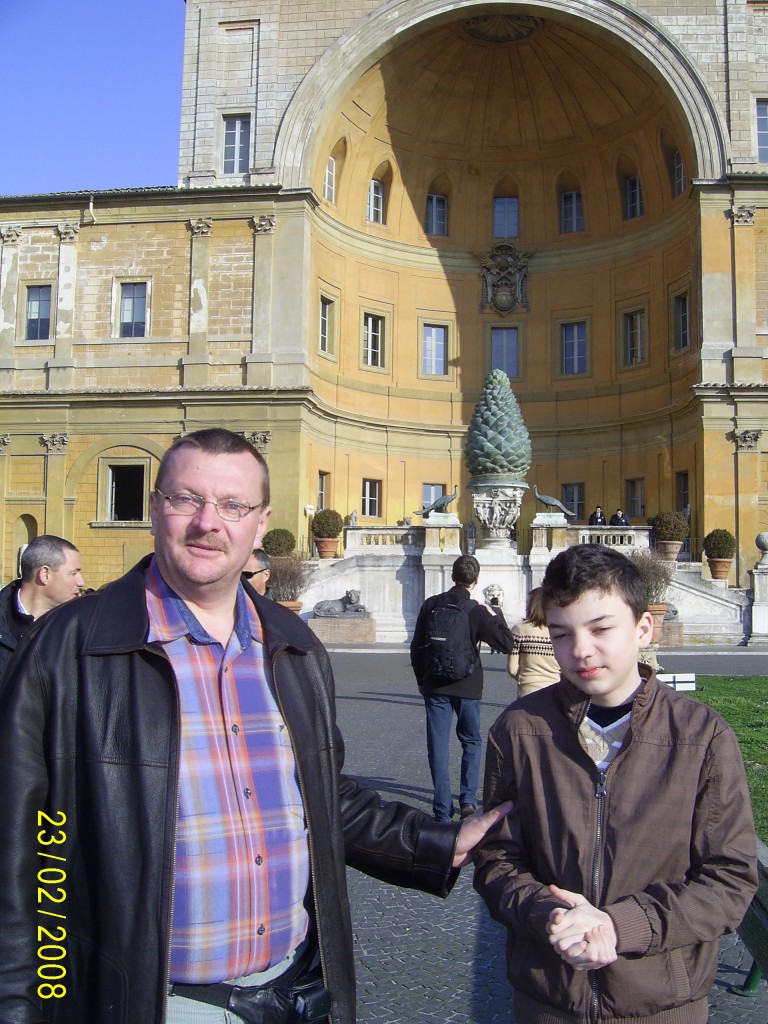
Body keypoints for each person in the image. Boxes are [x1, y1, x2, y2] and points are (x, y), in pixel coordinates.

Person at [0, 428, 510, 1024]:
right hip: (149, 1000)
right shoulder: (67, 647)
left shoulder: (293, 645)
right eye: (186, 499)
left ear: (261, 523)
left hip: (290, 991)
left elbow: (319, 793)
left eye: (233, 505)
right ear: (156, 507)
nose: (208, 523)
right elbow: (20, 845)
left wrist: (439, 841)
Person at [473, 544, 757, 1024]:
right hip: (548, 999)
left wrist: (618, 926)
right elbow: (496, 859)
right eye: (561, 634)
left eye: (601, 629)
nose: (581, 650)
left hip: (662, 1003)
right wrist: (550, 916)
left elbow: (729, 879)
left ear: (643, 628)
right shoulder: (519, 730)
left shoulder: (702, 736)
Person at [411, 554, 515, 822]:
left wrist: (421, 680)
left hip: (434, 684)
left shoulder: (431, 605)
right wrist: (496, 612)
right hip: (468, 685)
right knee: (471, 741)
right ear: (476, 579)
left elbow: (416, 647)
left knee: (438, 746)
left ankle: (442, 810)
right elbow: (507, 643)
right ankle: (468, 798)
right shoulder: (477, 610)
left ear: (452, 576)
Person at [0, 534, 84, 678]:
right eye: (73, 573)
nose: (81, 582)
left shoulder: (83, 624)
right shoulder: (5, 621)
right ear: (45, 574)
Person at [506, 587, 560, 698]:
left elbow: (512, 669)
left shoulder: (519, 630)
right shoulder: (559, 631)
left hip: (528, 690)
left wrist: (524, 678)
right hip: (556, 691)